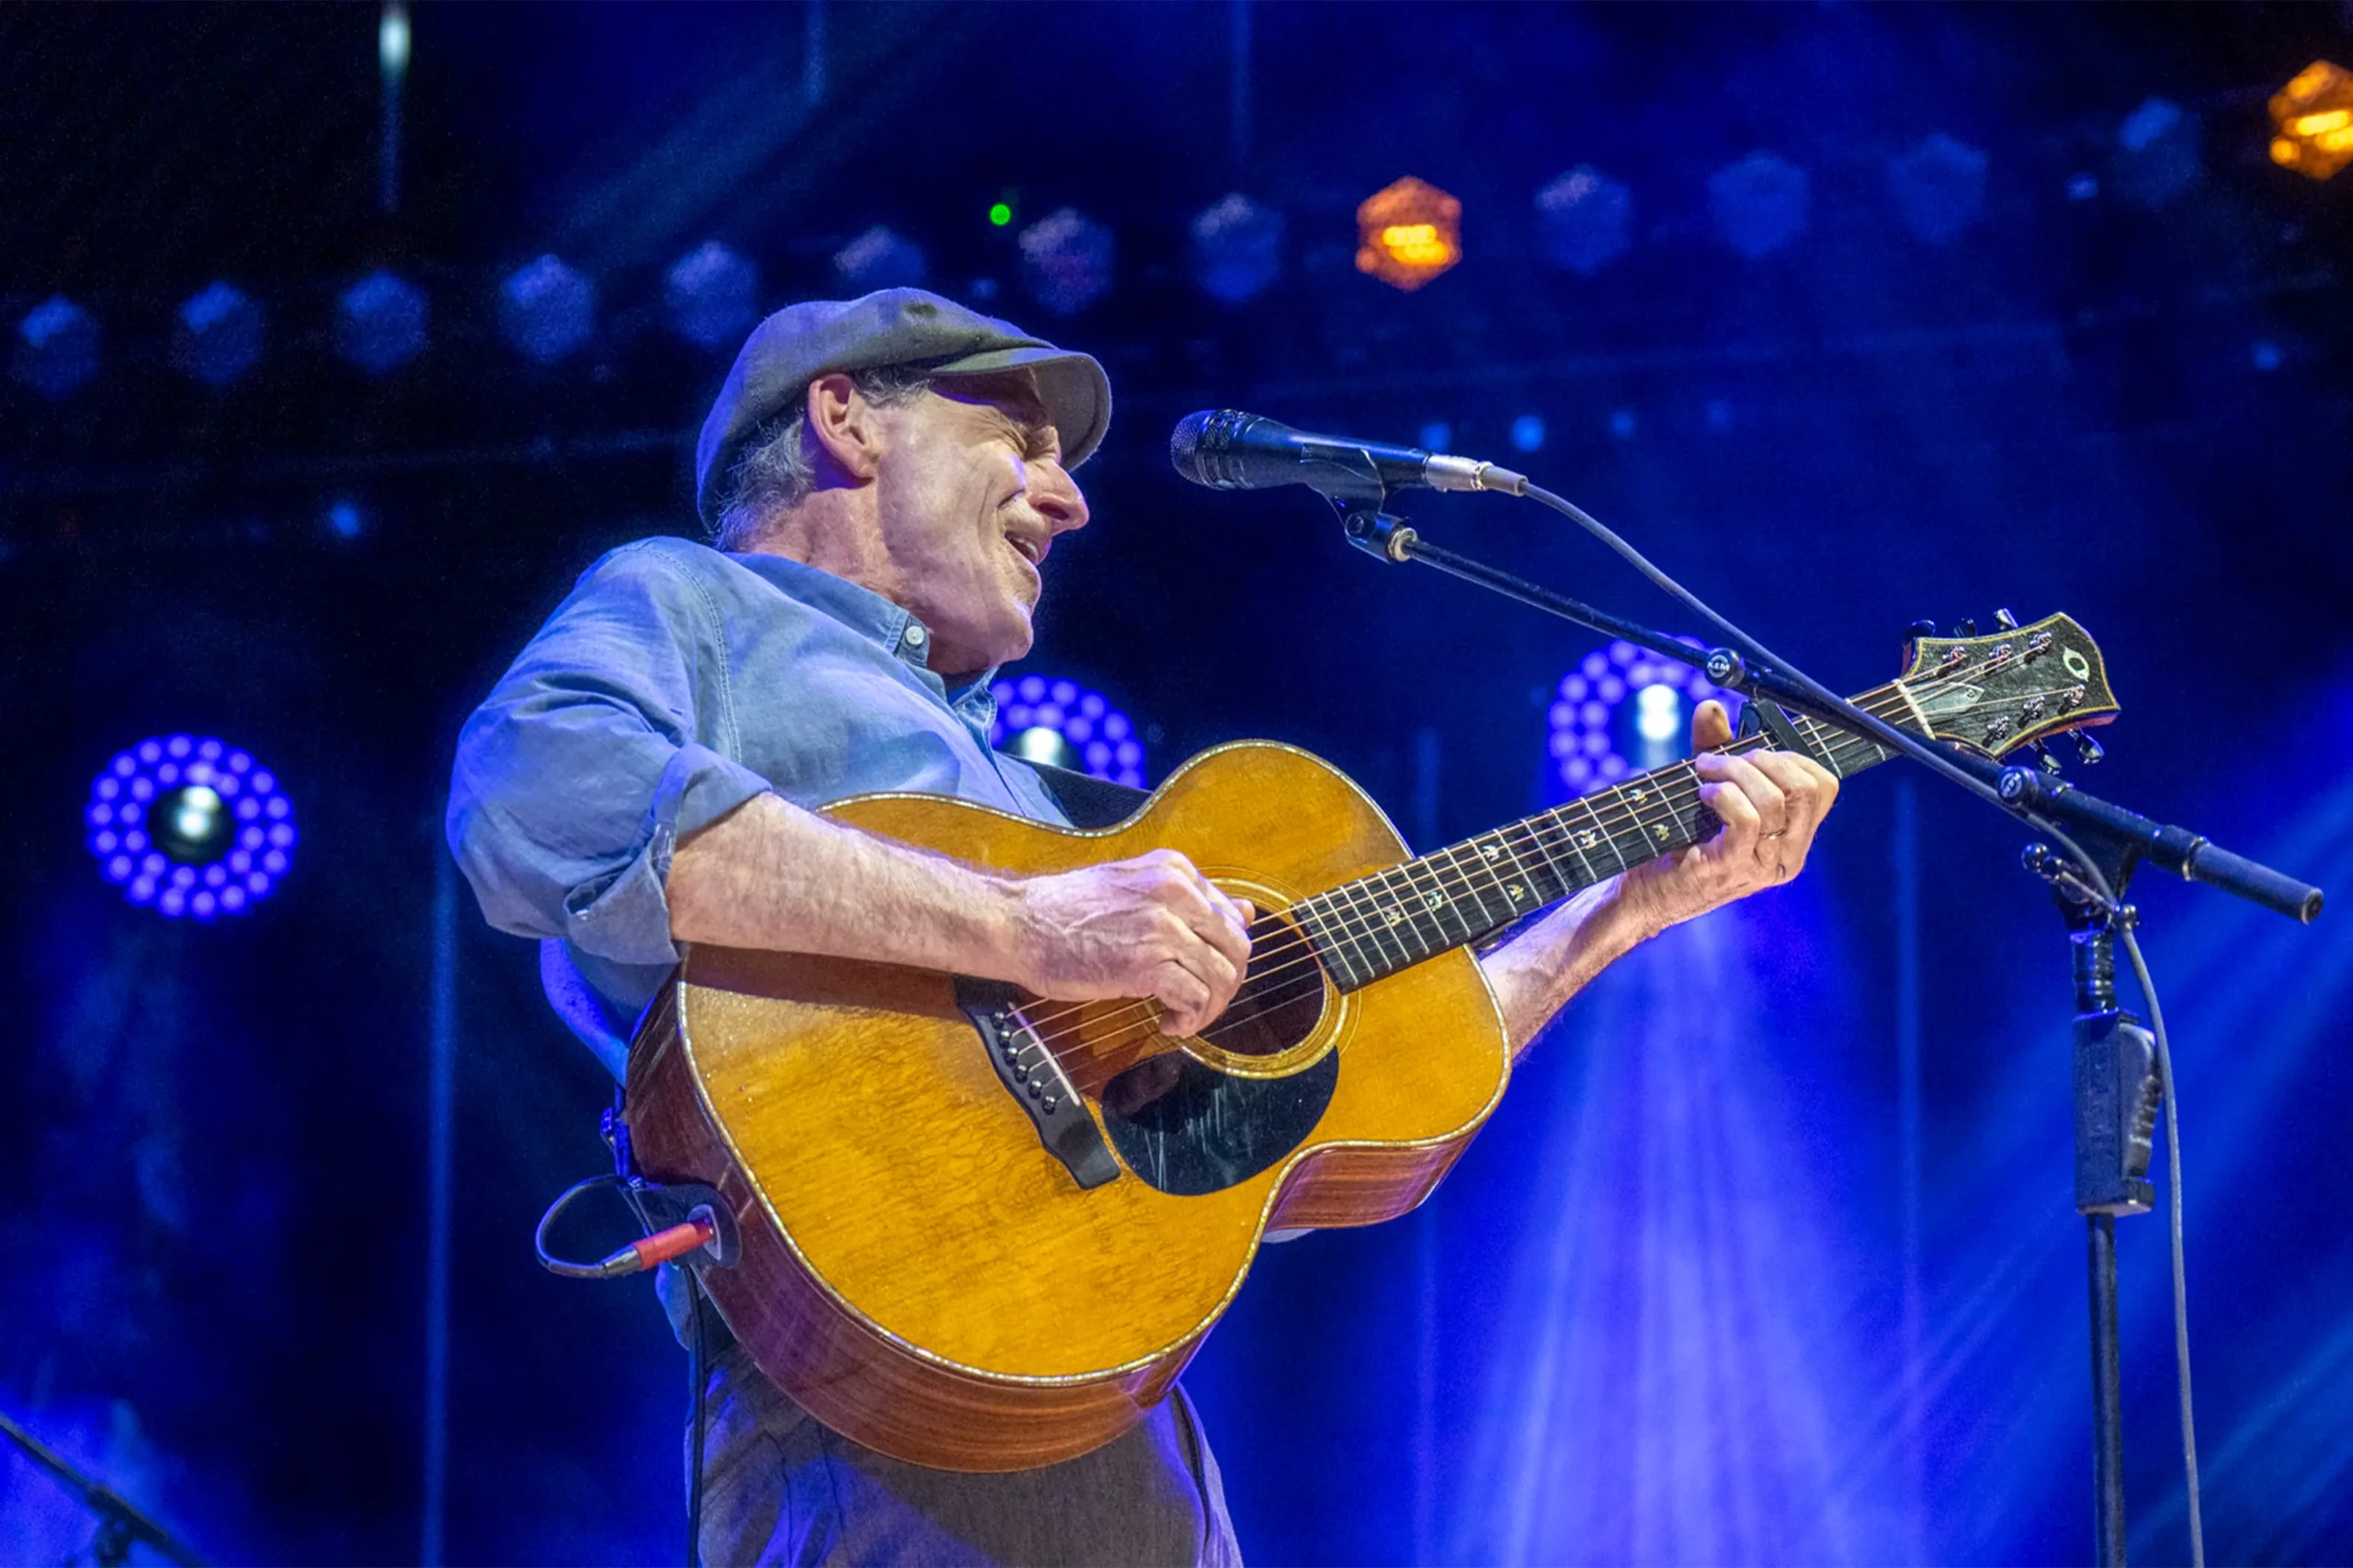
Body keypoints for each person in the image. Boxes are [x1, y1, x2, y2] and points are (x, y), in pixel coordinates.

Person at [446, 288, 1838, 1566]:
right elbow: (536, 792)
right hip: (871, 1428)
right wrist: (1032, 924)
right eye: (1024, 438)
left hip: (1114, 1416)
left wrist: (1627, 907)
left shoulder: (1027, 792)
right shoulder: (694, 604)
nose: (1069, 501)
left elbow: (1359, 1104)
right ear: (845, 417)